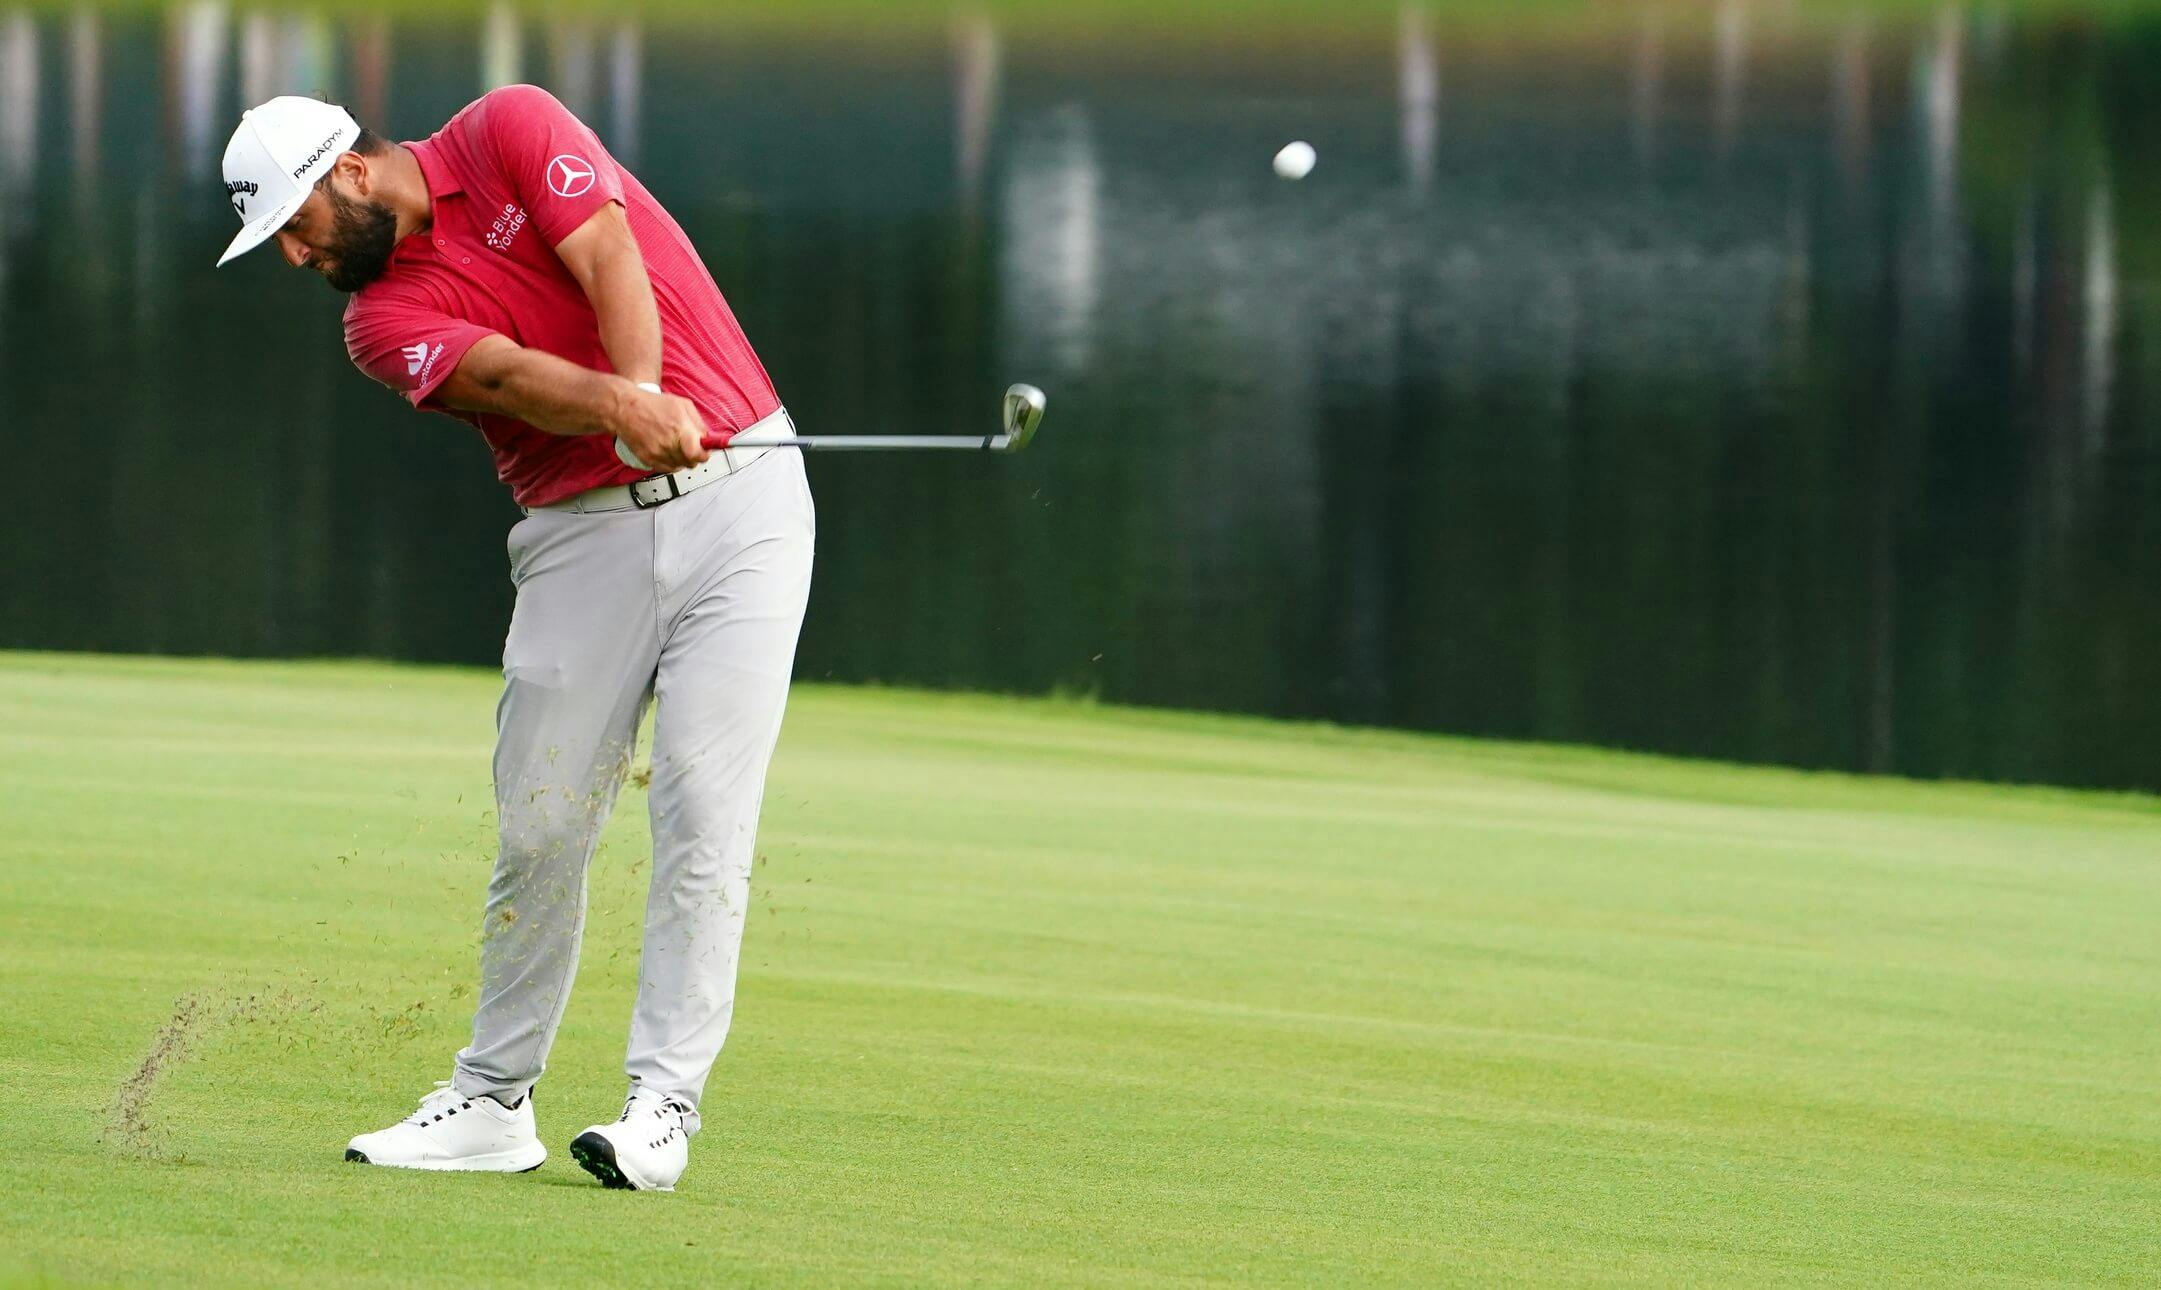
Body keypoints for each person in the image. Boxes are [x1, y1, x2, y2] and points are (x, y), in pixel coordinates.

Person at [215, 87, 815, 1193]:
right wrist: (623, 413)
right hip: (579, 537)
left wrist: (640, 397)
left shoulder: (511, 127)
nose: (294, 258)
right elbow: (500, 378)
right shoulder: (373, 323)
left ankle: (661, 1111)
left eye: (294, 228)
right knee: (541, 822)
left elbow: (609, 258)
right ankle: (493, 1101)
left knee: (700, 806)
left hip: (745, 504)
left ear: (348, 172)